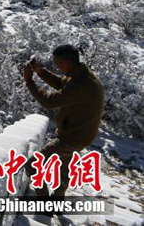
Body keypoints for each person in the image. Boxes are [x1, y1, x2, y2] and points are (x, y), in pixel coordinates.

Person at [22, 44, 104, 199]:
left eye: (56, 62)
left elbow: (48, 101)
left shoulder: (80, 84)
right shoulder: (82, 74)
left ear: (65, 62)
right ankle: (58, 201)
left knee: (33, 165)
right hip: (81, 134)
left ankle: (45, 202)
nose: (54, 64)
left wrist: (29, 82)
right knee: (64, 168)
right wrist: (40, 72)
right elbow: (62, 84)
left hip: (72, 138)